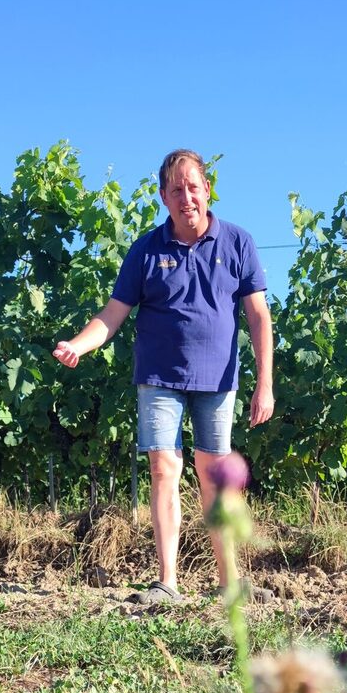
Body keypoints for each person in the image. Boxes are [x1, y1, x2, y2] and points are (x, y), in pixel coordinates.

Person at [53, 149, 274, 604]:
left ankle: (229, 584)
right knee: (163, 467)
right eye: (176, 189)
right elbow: (112, 315)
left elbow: (257, 317)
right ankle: (167, 582)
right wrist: (78, 343)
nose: (186, 197)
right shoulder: (146, 251)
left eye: (193, 187)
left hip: (218, 379)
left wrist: (264, 383)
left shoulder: (238, 243)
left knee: (215, 475)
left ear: (207, 189)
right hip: (158, 377)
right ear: (163, 197)